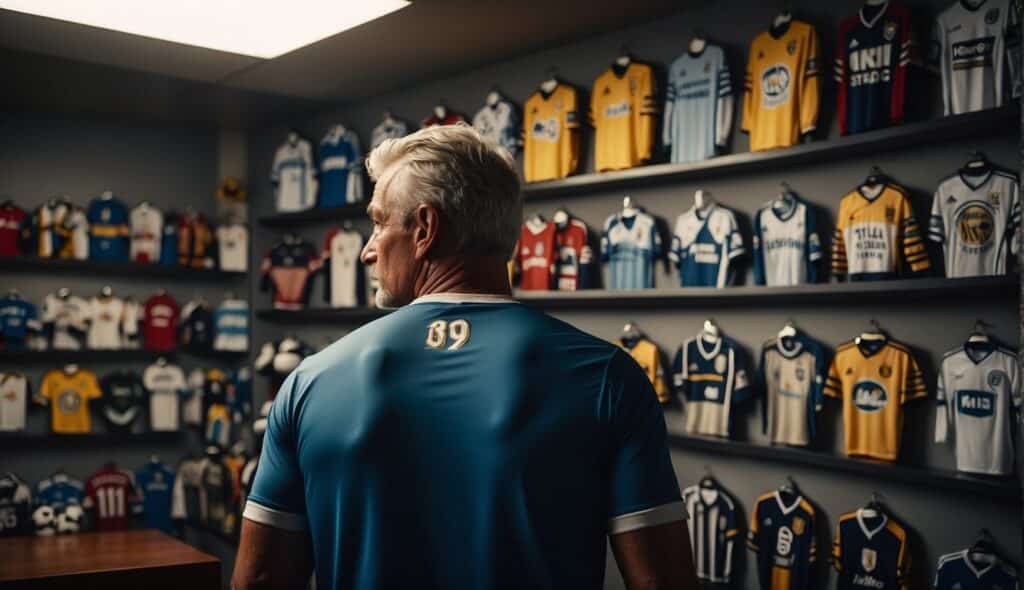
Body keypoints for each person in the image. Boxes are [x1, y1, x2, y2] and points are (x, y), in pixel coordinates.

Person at [232, 124, 697, 589]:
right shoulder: (608, 378)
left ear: (425, 229)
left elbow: (259, 579)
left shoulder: (310, 381)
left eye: (378, 222)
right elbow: (663, 584)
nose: (368, 251)